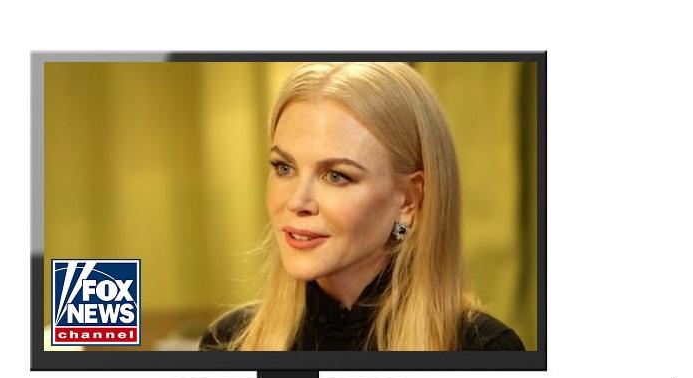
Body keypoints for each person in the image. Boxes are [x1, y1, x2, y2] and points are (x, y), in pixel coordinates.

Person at [199, 62, 524, 351]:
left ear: (408, 200)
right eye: (284, 168)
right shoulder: (229, 343)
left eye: (336, 176)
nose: (297, 202)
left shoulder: (482, 350)